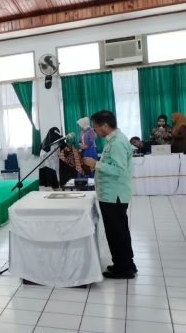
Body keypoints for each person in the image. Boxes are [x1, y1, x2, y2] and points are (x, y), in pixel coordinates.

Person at [83, 110, 136, 279]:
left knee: (116, 231)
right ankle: (126, 263)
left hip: (114, 196)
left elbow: (119, 171)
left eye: (96, 127)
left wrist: (96, 164)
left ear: (105, 126)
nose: (94, 131)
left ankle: (124, 269)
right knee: (119, 230)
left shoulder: (117, 142)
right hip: (111, 194)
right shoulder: (112, 140)